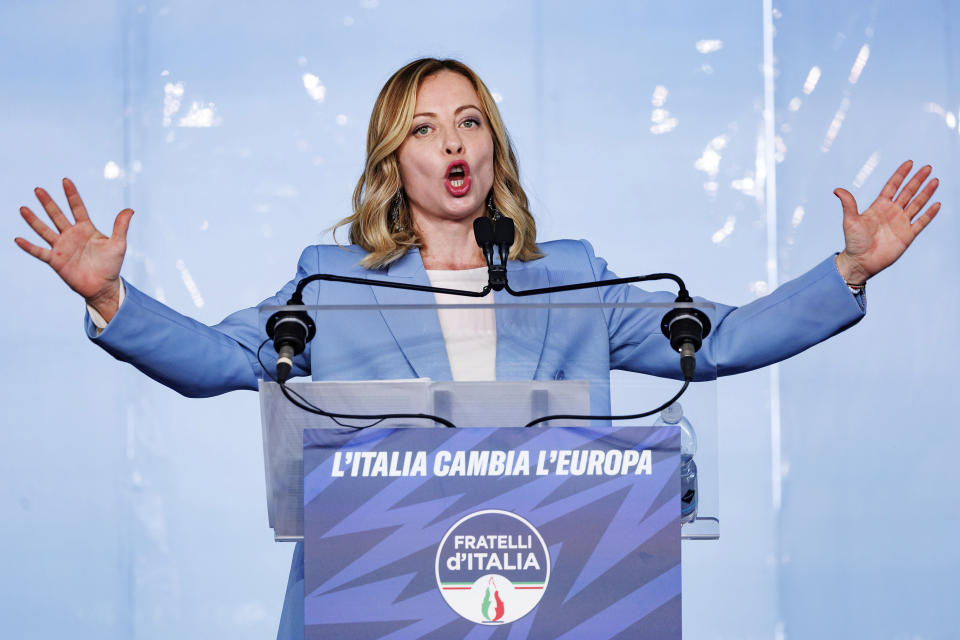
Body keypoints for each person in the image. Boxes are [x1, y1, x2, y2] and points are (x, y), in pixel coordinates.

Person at [14, 58, 941, 639]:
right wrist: (110, 297)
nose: (450, 140)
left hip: (565, 601)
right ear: (394, 163)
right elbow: (223, 358)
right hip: (368, 604)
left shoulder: (572, 278)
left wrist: (848, 272)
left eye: (468, 121)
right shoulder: (334, 283)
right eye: (423, 127)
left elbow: (722, 336)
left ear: (491, 148)